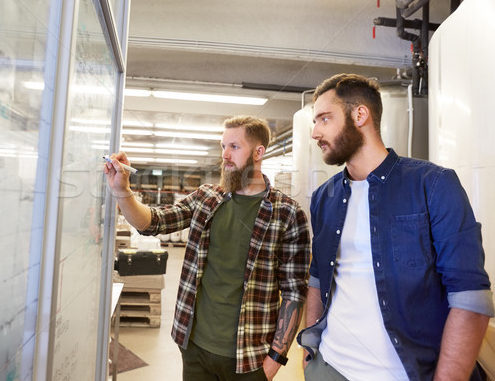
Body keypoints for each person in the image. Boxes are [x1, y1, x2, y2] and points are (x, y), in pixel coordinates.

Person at [297, 73, 494, 381]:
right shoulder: (325, 196)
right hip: (330, 368)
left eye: (324, 119)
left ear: (360, 114)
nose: (314, 133)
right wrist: (311, 354)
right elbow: (317, 277)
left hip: (404, 373)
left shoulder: (433, 185)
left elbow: (470, 299)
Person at [104, 115, 311, 380]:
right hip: (194, 348)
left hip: (249, 358)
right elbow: (153, 222)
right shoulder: (206, 198)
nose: (225, 154)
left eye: (234, 147)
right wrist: (123, 192)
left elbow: (294, 292)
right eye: (222, 146)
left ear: (259, 152)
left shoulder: (288, 214)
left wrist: (273, 362)